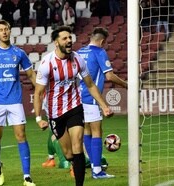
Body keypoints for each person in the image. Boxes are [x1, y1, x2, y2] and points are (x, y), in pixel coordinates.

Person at [33, 26, 113, 186]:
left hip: (75, 107)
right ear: (56, 42)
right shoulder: (46, 63)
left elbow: (90, 85)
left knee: (78, 145)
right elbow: (38, 92)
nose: (69, 40)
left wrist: (103, 105)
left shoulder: (77, 59)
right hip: (55, 113)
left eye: (70, 37)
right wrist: (38, 118)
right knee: (69, 154)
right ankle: (73, 162)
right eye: (65, 38)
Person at [0, 20, 36, 186]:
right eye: (1, 30)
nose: (4, 32)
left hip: (15, 101)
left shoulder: (19, 53)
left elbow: (31, 75)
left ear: (10, 31)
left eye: (6, 29)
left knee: (21, 136)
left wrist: (42, 91)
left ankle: (27, 177)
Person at [77, 27, 127, 179]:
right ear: (103, 41)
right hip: (91, 98)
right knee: (97, 131)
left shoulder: (79, 52)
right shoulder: (99, 52)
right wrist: (126, 84)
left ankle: (94, 165)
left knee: (86, 131)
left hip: (78, 97)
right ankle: (97, 171)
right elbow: (110, 76)